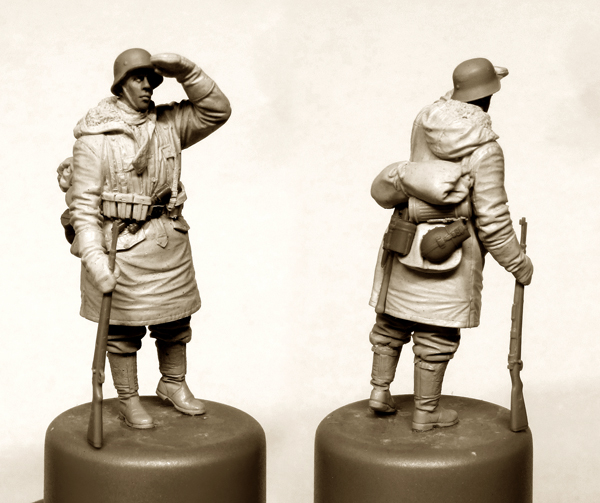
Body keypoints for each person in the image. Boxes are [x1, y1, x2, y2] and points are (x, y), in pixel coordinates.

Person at [65, 48, 231, 429]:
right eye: (138, 79)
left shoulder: (168, 124)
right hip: (119, 247)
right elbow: (83, 209)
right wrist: (94, 260)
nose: (147, 86)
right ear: (121, 85)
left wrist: (188, 71)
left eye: (151, 79)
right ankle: (127, 398)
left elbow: (217, 111)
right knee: (122, 332)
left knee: (175, 322)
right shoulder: (95, 139)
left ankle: (173, 382)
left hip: (167, 240)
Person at [367, 58, 533, 431]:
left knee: (391, 322)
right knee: (436, 335)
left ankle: (379, 390)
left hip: (405, 237)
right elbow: (492, 219)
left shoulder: (425, 120)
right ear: (489, 96)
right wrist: (517, 262)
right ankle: (425, 413)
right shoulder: (486, 149)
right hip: (452, 249)